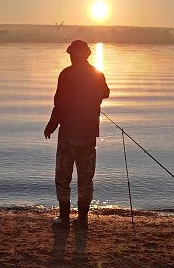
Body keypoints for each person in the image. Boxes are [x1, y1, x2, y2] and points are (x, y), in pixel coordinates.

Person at [44, 40, 110, 229]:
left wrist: (51, 124)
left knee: (63, 177)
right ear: (87, 55)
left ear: (72, 55)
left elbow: (60, 104)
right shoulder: (97, 74)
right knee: (85, 178)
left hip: (68, 134)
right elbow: (105, 93)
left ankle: (64, 218)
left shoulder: (67, 74)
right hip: (89, 135)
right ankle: (82, 220)